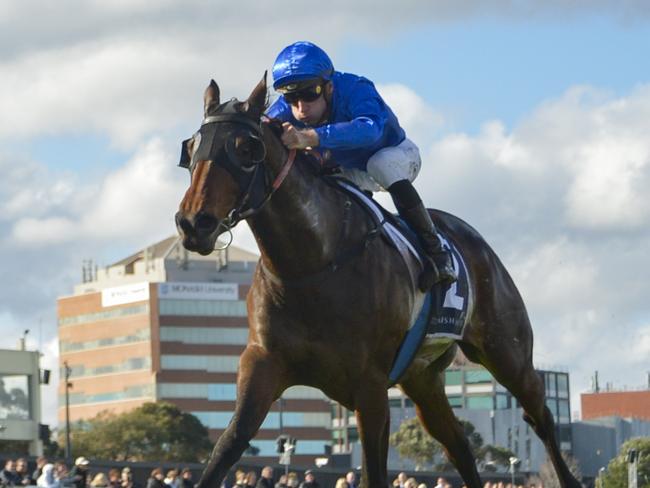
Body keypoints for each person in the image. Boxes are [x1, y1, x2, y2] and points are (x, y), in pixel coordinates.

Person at [268, 41, 456, 290]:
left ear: (329, 87)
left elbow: (370, 130)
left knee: (380, 164)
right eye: (292, 97)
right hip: (346, 171)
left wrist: (311, 137)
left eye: (309, 93)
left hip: (396, 156)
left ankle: (436, 251)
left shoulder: (357, 88)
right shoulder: (284, 110)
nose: (301, 107)